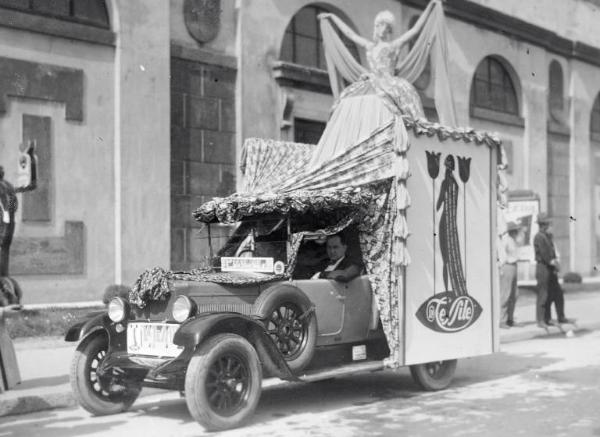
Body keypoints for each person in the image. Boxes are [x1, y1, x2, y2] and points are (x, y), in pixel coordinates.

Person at [310, 0, 456, 169]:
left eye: (384, 26)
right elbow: (349, 34)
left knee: (402, 112)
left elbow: (415, 30)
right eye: (379, 25)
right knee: (348, 103)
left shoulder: (394, 45)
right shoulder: (369, 45)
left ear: (389, 30)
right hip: (371, 83)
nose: (381, 29)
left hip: (390, 84)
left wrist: (430, 7)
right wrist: (332, 17)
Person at [533, 212, 571, 328]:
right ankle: (541, 320)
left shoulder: (548, 237)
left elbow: (552, 254)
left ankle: (556, 317)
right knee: (543, 294)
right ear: (543, 225)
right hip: (543, 268)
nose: (551, 226)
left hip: (550, 268)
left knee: (556, 293)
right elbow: (545, 255)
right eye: (549, 224)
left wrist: (555, 264)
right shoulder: (539, 237)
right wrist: (555, 264)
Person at [499, 221, 520, 328]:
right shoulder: (505, 240)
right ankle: (502, 320)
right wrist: (502, 267)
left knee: (514, 294)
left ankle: (510, 319)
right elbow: (501, 254)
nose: (516, 231)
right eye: (515, 230)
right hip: (507, 266)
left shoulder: (513, 240)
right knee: (505, 294)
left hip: (514, 266)